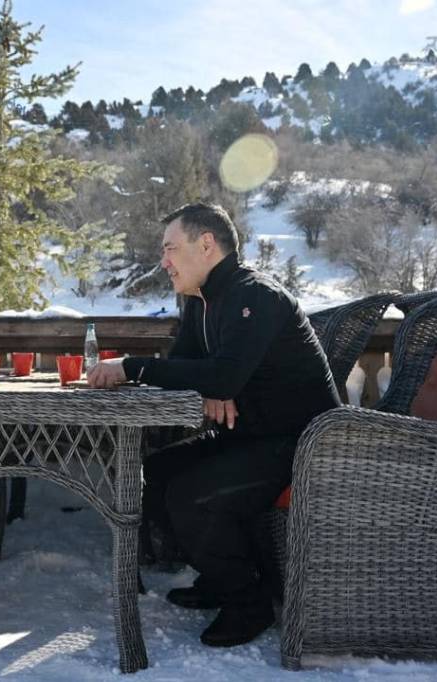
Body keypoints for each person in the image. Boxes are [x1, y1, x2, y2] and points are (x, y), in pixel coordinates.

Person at [87, 203, 340, 647]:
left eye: (170, 249)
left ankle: (249, 601)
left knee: (191, 495)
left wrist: (134, 367)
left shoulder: (253, 294)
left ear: (206, 245)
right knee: (162, 473)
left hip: (303, 443)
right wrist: (209, 387)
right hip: (251, 437)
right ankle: (223, 576)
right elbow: (189, 368)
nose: (163, 261)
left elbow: (222, 374)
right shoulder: (202, 302)